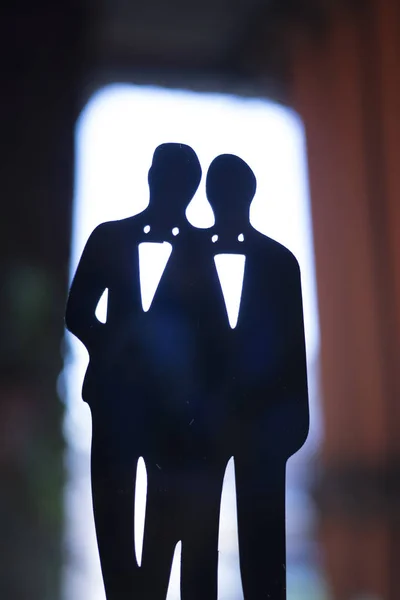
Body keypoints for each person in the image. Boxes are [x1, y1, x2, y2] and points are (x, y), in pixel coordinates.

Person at [65, 143, 203, 600]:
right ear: (150, 178)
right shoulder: (109, 237)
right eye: (164, 178)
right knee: (113, 515)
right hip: (112, 400)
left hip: (172, 413)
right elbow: (78, 311)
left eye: (181, 183)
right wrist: (113, 347)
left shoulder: (200, 251)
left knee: (165, 518)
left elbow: (211, 334)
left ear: (190, 190)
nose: (169, 189)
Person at [206, 154, 309, 600]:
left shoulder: (279, 263)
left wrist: (289, 432)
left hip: (265, 432)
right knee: (199, 544)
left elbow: (293, 351)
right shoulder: (190, 253)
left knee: (264, 547)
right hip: (203, 430)